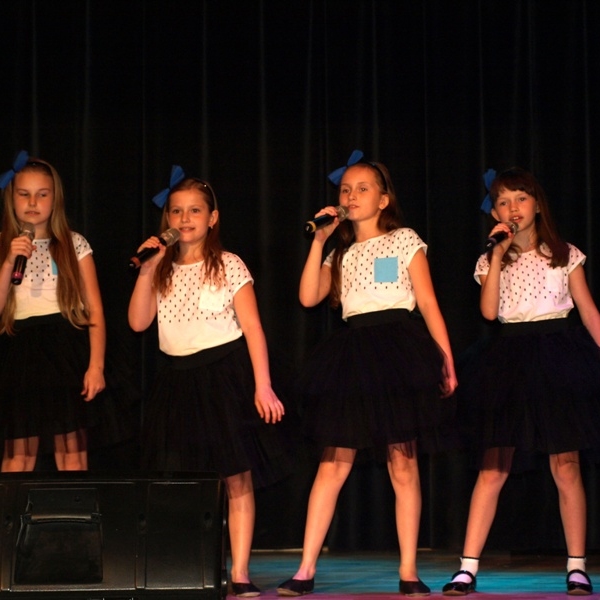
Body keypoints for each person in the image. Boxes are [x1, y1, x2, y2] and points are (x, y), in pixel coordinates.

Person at [277, 150, 457, 597]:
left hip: (397, 351)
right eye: (345, 190)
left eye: (362, 189)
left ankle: (409, 570)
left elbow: (428, 301)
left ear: (383, 199)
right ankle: (305, 569)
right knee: (333, 462)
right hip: (353, 355)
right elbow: (308, 298)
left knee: (403, 462)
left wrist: (445, 358)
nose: (351, 196)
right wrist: (320, 241)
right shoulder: (339, 251)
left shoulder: (403, 240)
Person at [128, 166, 288, 599]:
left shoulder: (228, 264)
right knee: (184, 482)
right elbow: (138, 322)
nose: (184, 219)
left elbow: (253, 328)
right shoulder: (160, 268)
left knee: (236, 477)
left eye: (194, 210)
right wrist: (146, 270)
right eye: (176, 211)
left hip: (223, 378)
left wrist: (263, 385)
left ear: (212, 217)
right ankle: (192, 567)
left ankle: (241, 572)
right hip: (176, 381)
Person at [442, 167, 600, 597]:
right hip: (508, 360)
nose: (513, 207)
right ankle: (467, 568)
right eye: (503, 201)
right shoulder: (489, 259)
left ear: (537, 205)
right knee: (493, 466)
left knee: (566, 464)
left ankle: (577, 566)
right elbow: (489, 312)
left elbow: (587, 310)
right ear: (494, 212)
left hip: (558, 357)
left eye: (521, 198)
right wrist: (496, 255)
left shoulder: (565, 253)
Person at [0, 151, 106, 471]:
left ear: (55, 198)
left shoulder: (74, 244)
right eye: (24, 194)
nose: (32, 202)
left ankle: (73, 506)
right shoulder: (3, 243)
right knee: (18, 453)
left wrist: (96, 366)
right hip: (19, 350)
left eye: (42, 194)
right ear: (12, 198)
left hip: (65, 351)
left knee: (72, 450)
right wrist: (9, 260)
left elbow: (94, 310)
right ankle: (10, 506)